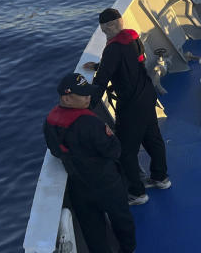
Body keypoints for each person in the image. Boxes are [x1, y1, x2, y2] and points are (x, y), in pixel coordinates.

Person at [43, 73, 137, 253]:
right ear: (67, 98)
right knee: (121, 218)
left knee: (93, 231)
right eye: (83, 95)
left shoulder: (50, 123)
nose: (88, 98)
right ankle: (127, 248)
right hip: (106, 183)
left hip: (79, 186)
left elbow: (55, 150)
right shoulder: (91, 124)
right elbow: (114, 150)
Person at [86, 8, 170, 206]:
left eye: (103, 28)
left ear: (107, 27)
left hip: (131, 104)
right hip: (147, 95)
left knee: (126, 150)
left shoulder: (113, 49)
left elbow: (101, 81)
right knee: (153, 139)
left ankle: (137, 193)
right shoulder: (132, 38)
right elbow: (129, 64)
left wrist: (88, 105)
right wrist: (100, 65)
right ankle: (161, 178)